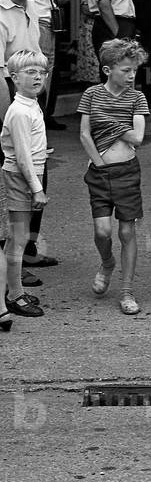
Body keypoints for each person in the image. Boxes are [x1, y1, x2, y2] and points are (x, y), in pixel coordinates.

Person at [77, 39, 151, 315]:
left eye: (134, 70)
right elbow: (84, 134)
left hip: (127, 172)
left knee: (126, 230)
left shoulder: (137, 98)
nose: (132, 76)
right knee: (102, 231)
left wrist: (108, 123)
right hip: (99, 171)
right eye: (125, 70)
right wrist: (98, 163)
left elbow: (138, 137)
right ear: (108, 70)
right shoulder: (91, 94)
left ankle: (126, 291)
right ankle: (107, 262)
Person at [1, 50, 50, 319]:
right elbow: (21, 156)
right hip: (21, 178)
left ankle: (13, 290)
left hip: (29, 176)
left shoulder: (30, 105)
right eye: (30, 72)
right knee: (18, 238)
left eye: (41, 72)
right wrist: (37, 188)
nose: (38, 78)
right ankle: (14, 295)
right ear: (14, 77)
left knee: (17, 237)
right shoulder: (20, 110)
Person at [25, 0, 71, 130]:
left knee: (49, 70)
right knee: (39, 69)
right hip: (36, 22)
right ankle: (38, 115)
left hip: (50, 22)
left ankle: (44, 114)